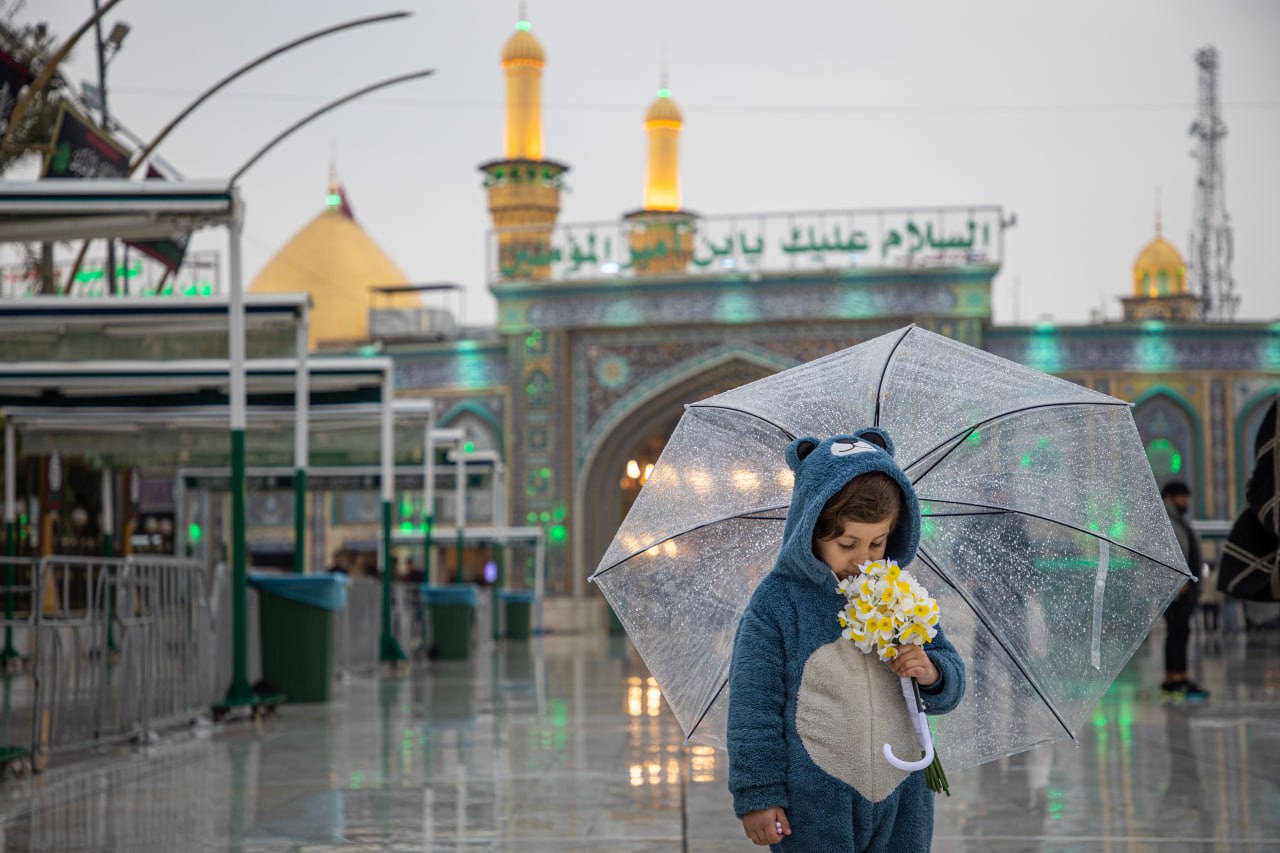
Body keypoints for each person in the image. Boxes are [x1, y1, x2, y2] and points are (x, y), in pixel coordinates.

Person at [727, 429, 966, 850]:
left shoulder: (899, 592)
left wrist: (931, 672)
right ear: (810, 530)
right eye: (846, 544)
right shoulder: (778, 602)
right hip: (814, 802)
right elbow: (753, 707)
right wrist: (758, 794)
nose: (863, 559)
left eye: (877, 543)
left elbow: (948, 678)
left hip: (903, 793)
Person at [1160, 481, 1209, 701]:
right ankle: (1175, 680)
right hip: (1175, 592)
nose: (1185, 501)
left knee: (1180, 633)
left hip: (1185, 590)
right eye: (1181, 496)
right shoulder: (1166, 523)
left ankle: (1176, 679)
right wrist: (1176, 580)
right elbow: (1166, 554)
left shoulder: (1179, 522)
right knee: (1177, 634)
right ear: (1169, 498)